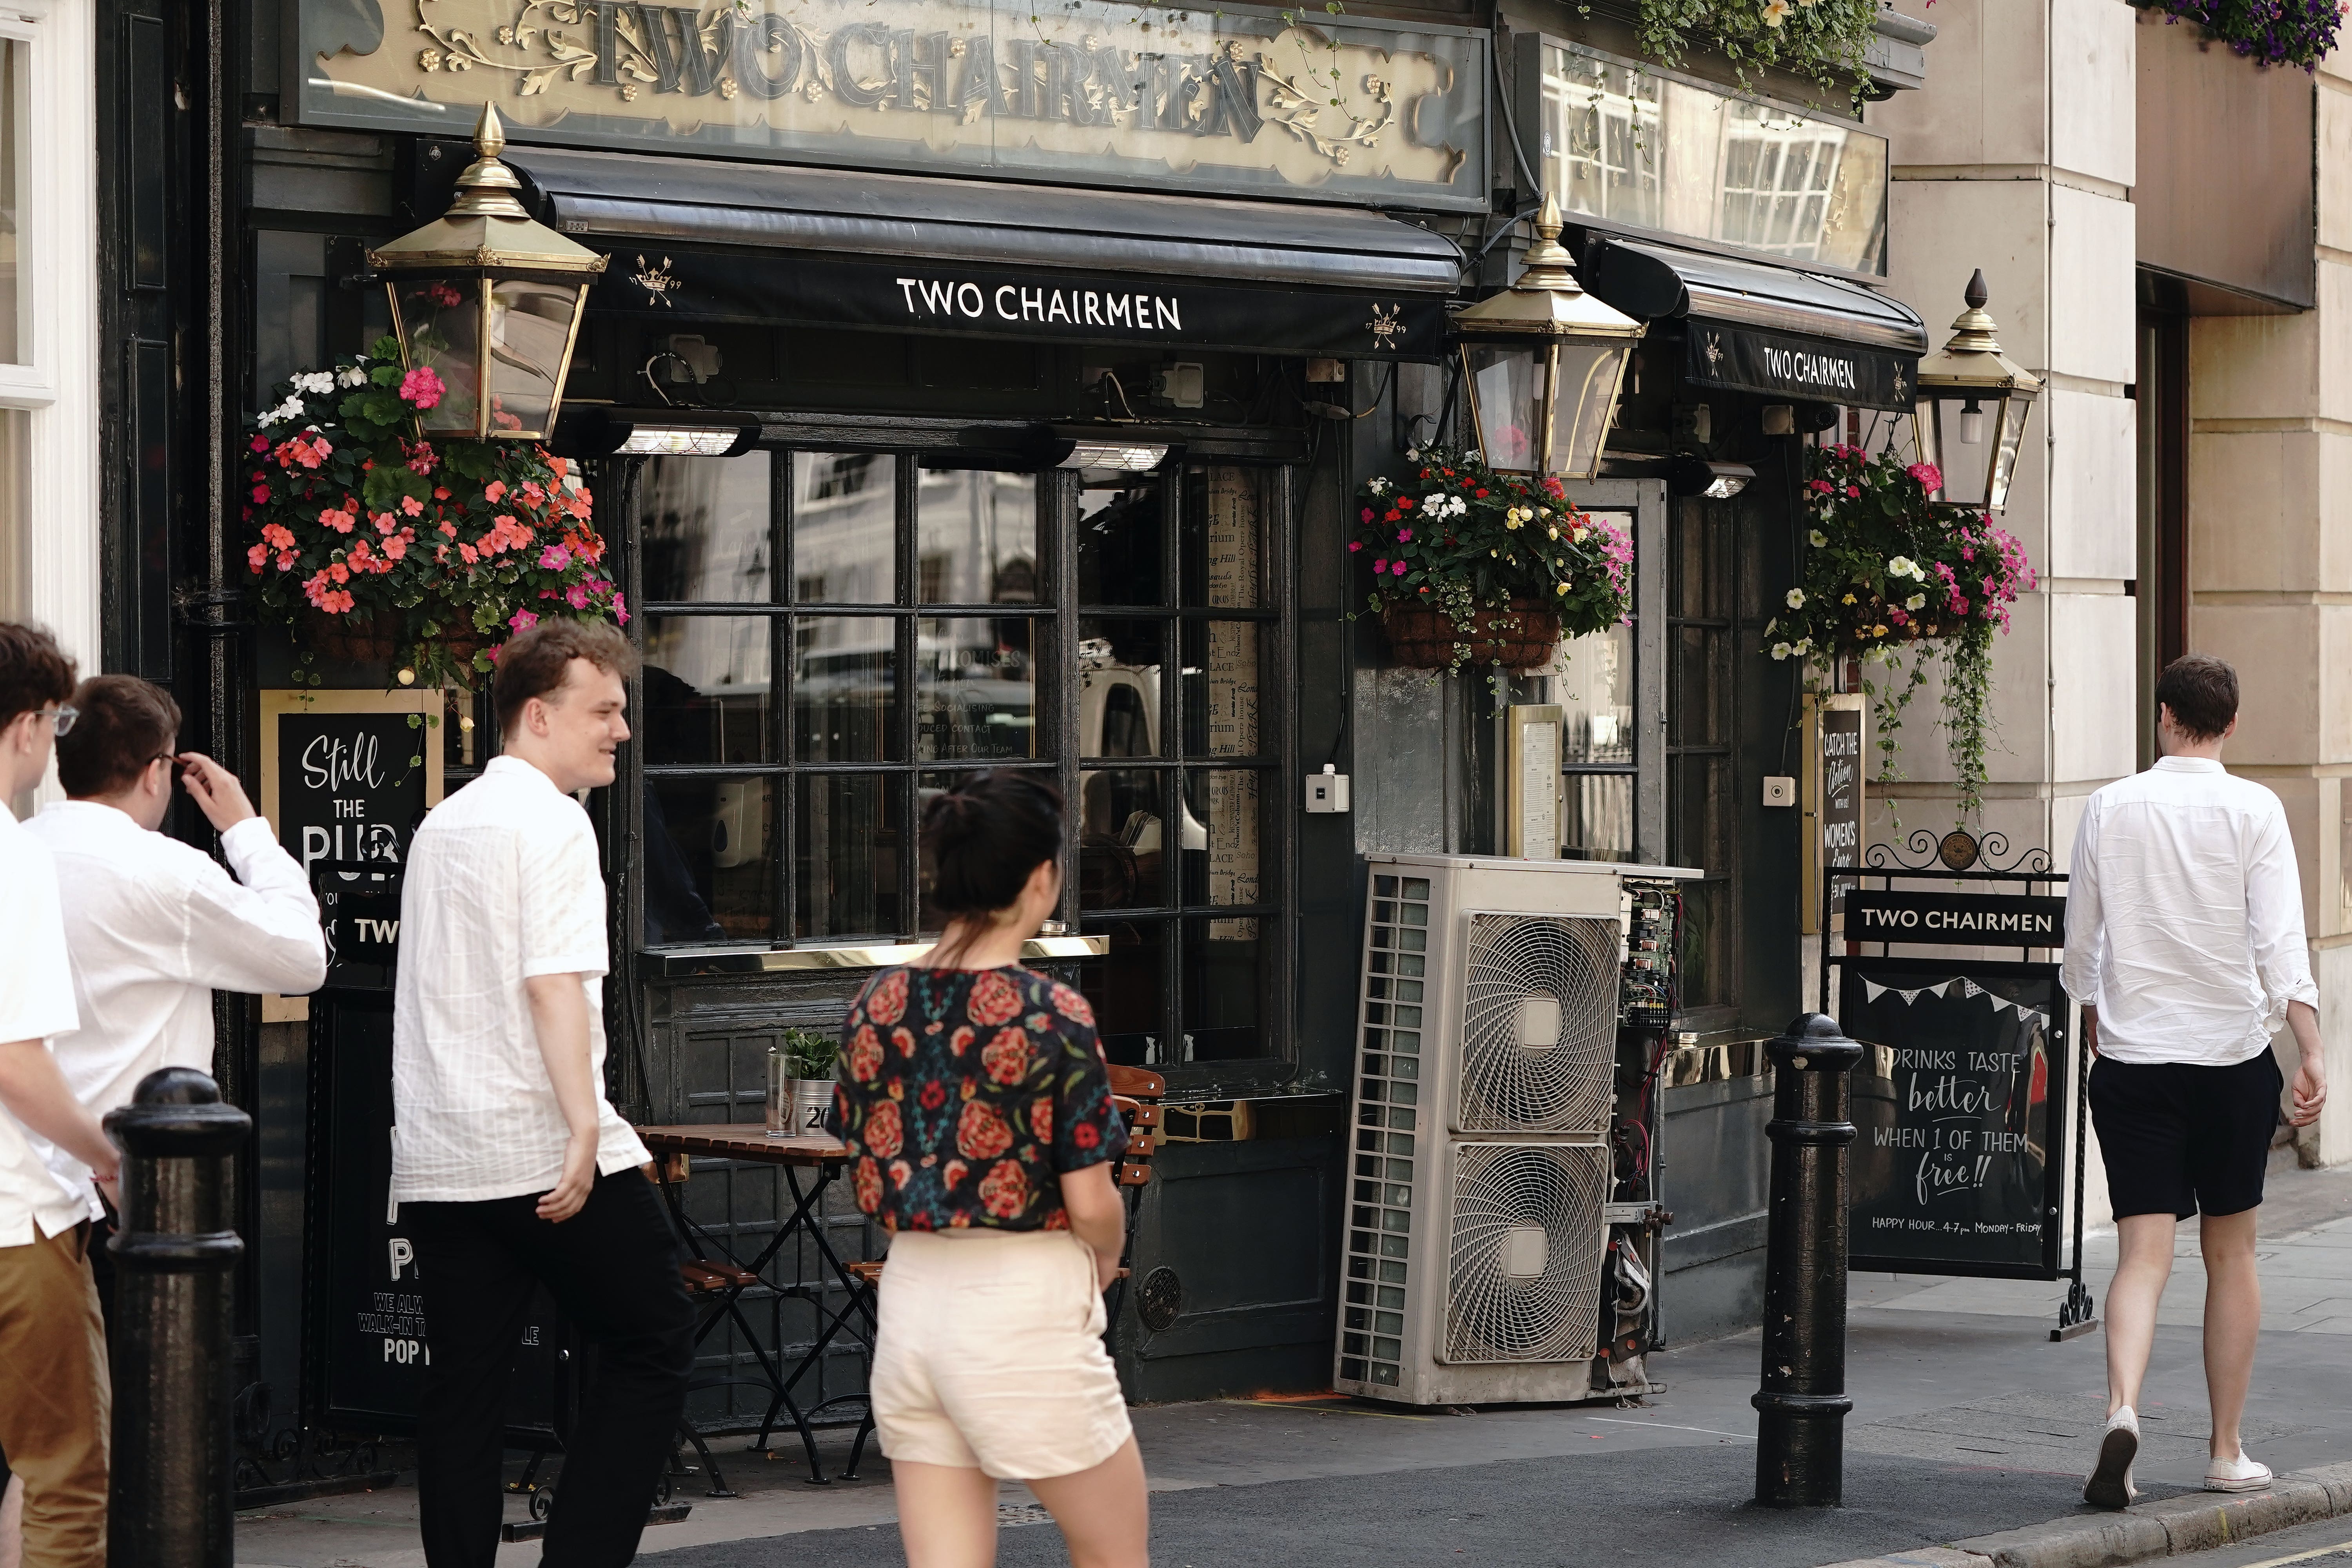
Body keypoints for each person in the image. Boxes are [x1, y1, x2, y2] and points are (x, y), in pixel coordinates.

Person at [391, 618, 692, 1568]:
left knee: (464, 1394)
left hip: (443, 1154)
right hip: (539, 1145)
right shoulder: (555, 821)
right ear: (537, 714)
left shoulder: (444, 822)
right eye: (604, 710)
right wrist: (583, 1129)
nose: (622, 729)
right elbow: (553, 982)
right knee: (654, 1339)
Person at [835, 770, 1146, 1568]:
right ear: (1042, 878)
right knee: (1114, 1555)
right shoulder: (1050, 1012)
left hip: (911, 1302)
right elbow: (1089, 1192)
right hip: (1021, 1301)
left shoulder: (876, 1000)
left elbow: (861, 1149)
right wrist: (1107, 1253)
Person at [2064, 652, 2328, 1509]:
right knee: (2233, 1251)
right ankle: (2225, 1449)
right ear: (2231, 724)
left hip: (2136, 1062)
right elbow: (2280, 942)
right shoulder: (2255, 807)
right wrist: (2312, 1045)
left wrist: (2093, 1002)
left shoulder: (2110, 805)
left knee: (2143, 1253)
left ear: (2164, 715)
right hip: (2230, 1062)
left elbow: (2082, 939)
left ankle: (2124, 1409)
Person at [27, 674, 327, 1318]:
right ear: (156, 773)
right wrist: (245, 830)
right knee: (150, 1404)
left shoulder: (18, 856)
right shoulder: (165, 872)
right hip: (131, 1192)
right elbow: (304, 959)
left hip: (27, 1197)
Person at [0, 622, 121, 1567]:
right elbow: (16, 1062)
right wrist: (106, 1152)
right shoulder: (11, 855)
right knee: (65, 1474)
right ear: (28, 727)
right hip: (13, 1217)